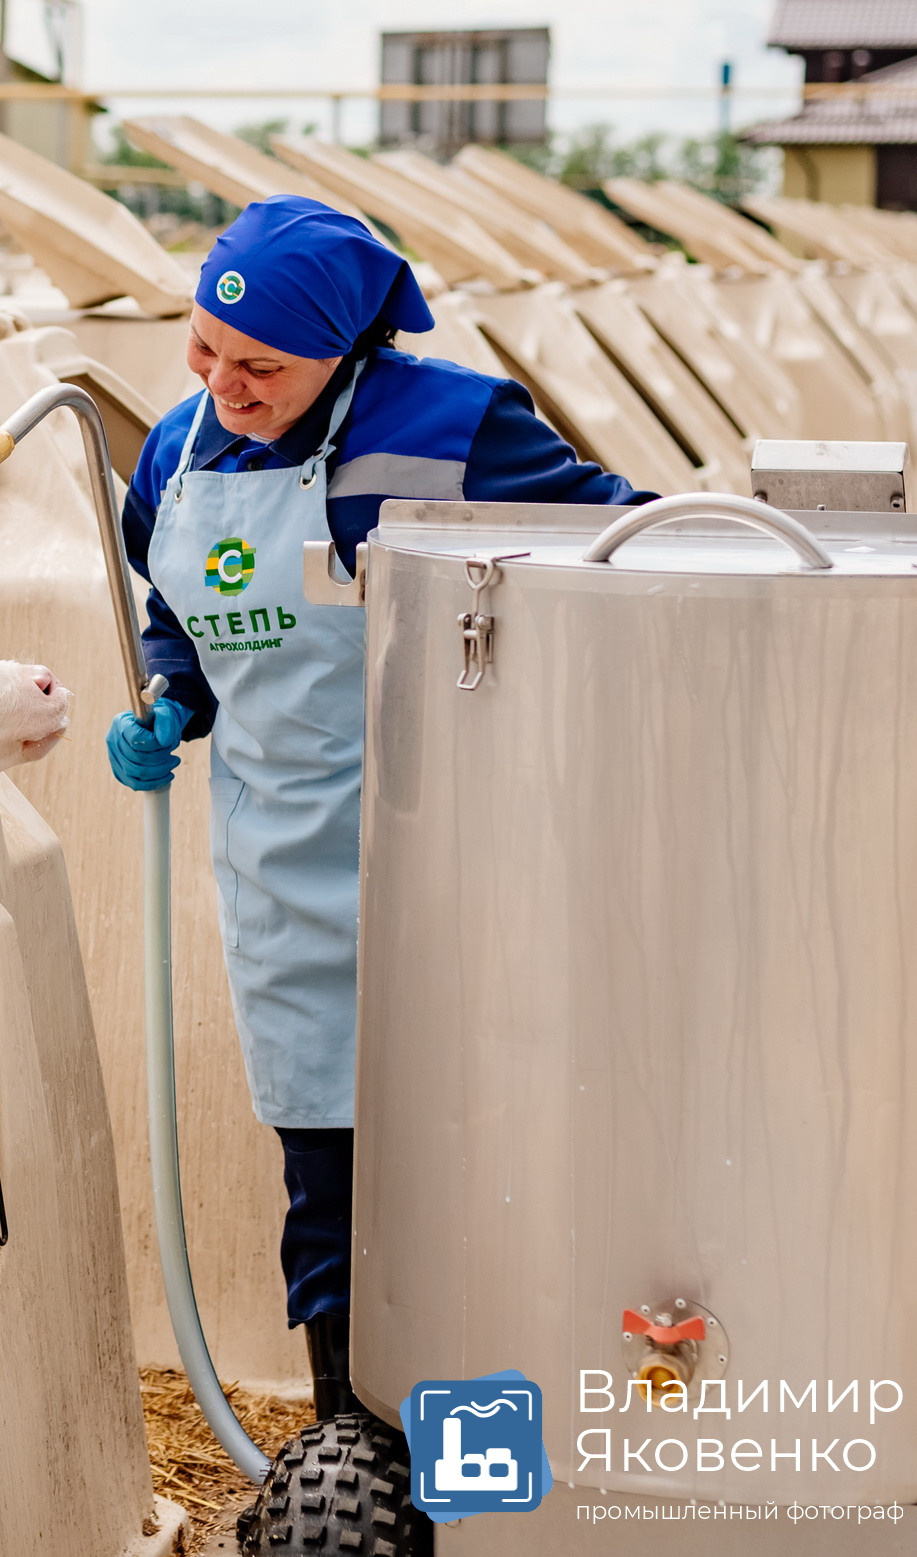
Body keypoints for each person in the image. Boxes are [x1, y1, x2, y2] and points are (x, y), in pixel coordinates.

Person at [107, 194, 652, 1424]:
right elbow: (176, 613)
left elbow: (628, 551)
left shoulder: (455, 427)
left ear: (346, 350)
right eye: (204, 348)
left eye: (262, 367)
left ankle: (492, 1464)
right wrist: (169, 702)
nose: (224, 386)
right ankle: (347, 1453)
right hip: (287, 874)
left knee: (479, 1171)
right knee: (328, 1181)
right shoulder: (176, 452)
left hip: (466, 866)